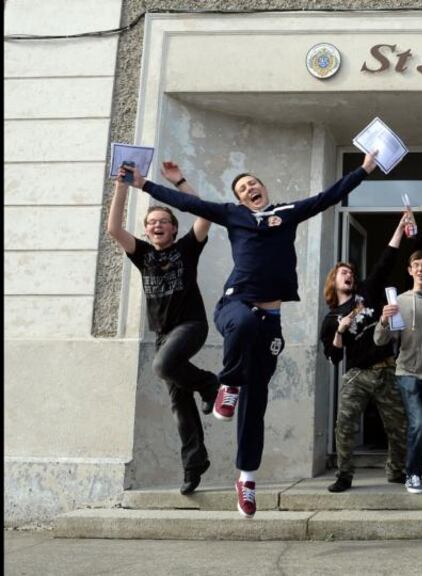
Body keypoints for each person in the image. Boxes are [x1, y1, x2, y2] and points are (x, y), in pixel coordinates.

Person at [127, 150, 379, 518]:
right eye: (243, 188)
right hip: (235, 305)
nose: (249, 189)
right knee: (242, 325)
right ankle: (226, 385)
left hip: (271, 320)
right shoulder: (234, 215)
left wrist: (365, 169)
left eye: (253, 184)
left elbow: (328, 196)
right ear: (240, 198)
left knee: (256, 399)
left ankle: (246, 478)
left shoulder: (287, 213)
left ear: (263, 188)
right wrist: (147, 184)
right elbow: (190, 204)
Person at [107, 161, 219, 496]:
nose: (157, 225)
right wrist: (122, 184)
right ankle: (194, 464)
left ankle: (210, 383)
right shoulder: (141, 254)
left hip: (191, 326)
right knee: (179, 406)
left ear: (173, 229)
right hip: (163, 335)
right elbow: (113, 229)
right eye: (152, 223)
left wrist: (181, 182)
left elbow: (205, 213)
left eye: (163, 222)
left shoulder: (187, 248)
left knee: (163, 366)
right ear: (146, 230)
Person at [320, 210, 414, 493]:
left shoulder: (367, 294)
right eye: (342, 273)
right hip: (357, 375)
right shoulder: (331, 318)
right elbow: (334, 358)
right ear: (333, 282)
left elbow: (387, 259)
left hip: (385, 369)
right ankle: (344, 476)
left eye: (350, 272)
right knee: (344, 425)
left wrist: (399, 228)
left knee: (398, 427)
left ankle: (396, 472)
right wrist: (340, 331)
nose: (348, 275)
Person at [375, 249, 422, 494]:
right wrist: (384, 321)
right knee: (418, 425)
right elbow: (380, 340)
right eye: (416, 264)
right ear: (409, 270)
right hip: (407, 373)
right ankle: (413, 473)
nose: (420, 268)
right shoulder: (400, 302)